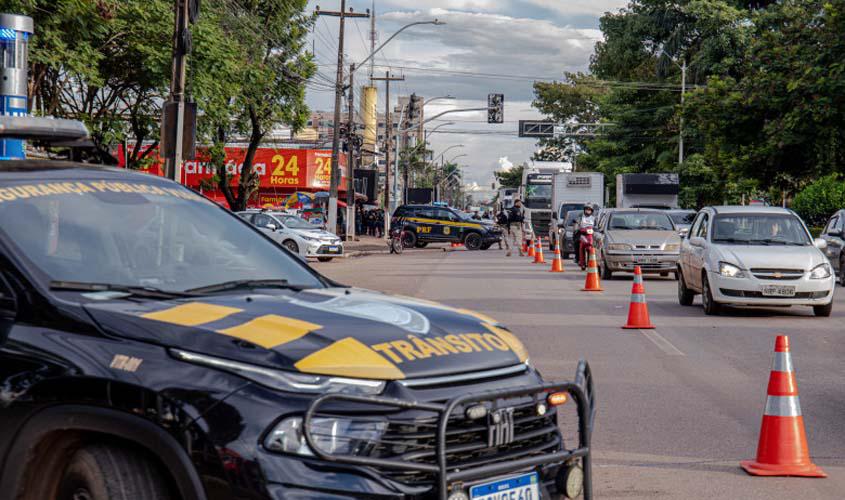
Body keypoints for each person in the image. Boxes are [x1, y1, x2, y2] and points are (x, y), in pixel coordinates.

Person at [574, 204, 596, 269]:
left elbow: (596, 226)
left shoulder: (594, 218)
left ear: (592, 211)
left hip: (590, 235)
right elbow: (577, 223)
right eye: (586, 209)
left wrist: (596, 229)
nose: (588, 211)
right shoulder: (581, 217)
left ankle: (593, 261)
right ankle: (578, 259)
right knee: (577, 243)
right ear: (584, 210)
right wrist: (577, 228)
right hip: (582, 234)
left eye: (589, 210)